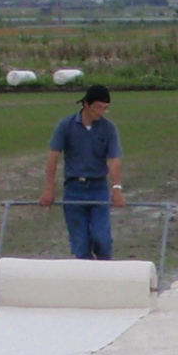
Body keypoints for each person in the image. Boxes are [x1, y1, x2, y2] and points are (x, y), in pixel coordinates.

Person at [42, 83, 124, 258]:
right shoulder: (66, 125)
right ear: (86, 104)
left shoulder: (109, 129)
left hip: (98, 188)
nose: (100, 112)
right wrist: (49, 188)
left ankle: (105, 273)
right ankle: (87, 278)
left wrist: (117, 188)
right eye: (97, 107)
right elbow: (53, 155)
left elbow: (114, 159)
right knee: (80, 244)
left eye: (105, 108)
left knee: (102, 239)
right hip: (74, 189)